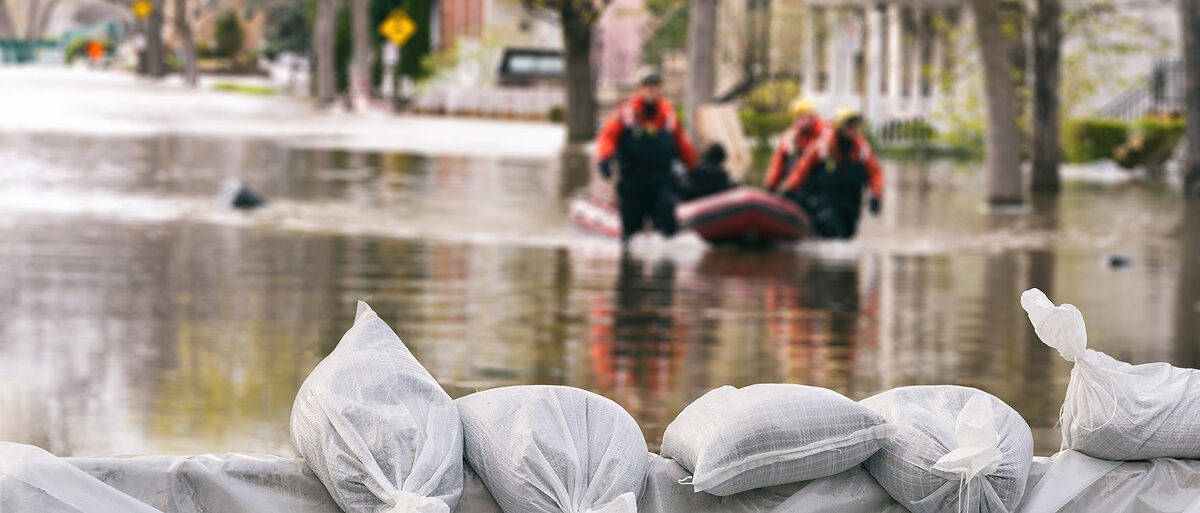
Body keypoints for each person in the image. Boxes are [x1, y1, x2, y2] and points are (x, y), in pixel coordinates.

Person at [595, 69, 698, 241]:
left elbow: (682, 144)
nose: (652, 91)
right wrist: (604, 158)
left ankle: (665, 263)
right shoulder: (625, 113)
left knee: (667, 224)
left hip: (661, 181)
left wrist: (693, 167)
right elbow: (607, 136)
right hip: (633, 182)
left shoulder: (668, 115)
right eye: (648, 86)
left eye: (655, 87)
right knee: (631, 234)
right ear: (640, 89)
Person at [778, 109, 883, 239]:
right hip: (826, 198)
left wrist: (876, 196)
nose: (852, 129)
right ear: (839, 127)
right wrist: (791, 189)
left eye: (854, 126)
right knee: (831, 230)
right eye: (849, 125)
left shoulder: (862, 148)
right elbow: (802, 168)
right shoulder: (823, 146)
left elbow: (875, 173)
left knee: (847, 235)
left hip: (852, 200)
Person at [764, 97, 827, 192]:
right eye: (798, 117)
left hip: (817, 185)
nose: (800, 120)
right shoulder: (790, 135)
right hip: (798, 185)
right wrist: (770, 186)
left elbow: (807, 160)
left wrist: (791, 186)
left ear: (812, 117)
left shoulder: (823, 133)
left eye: (804, 117)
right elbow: (778, 162)